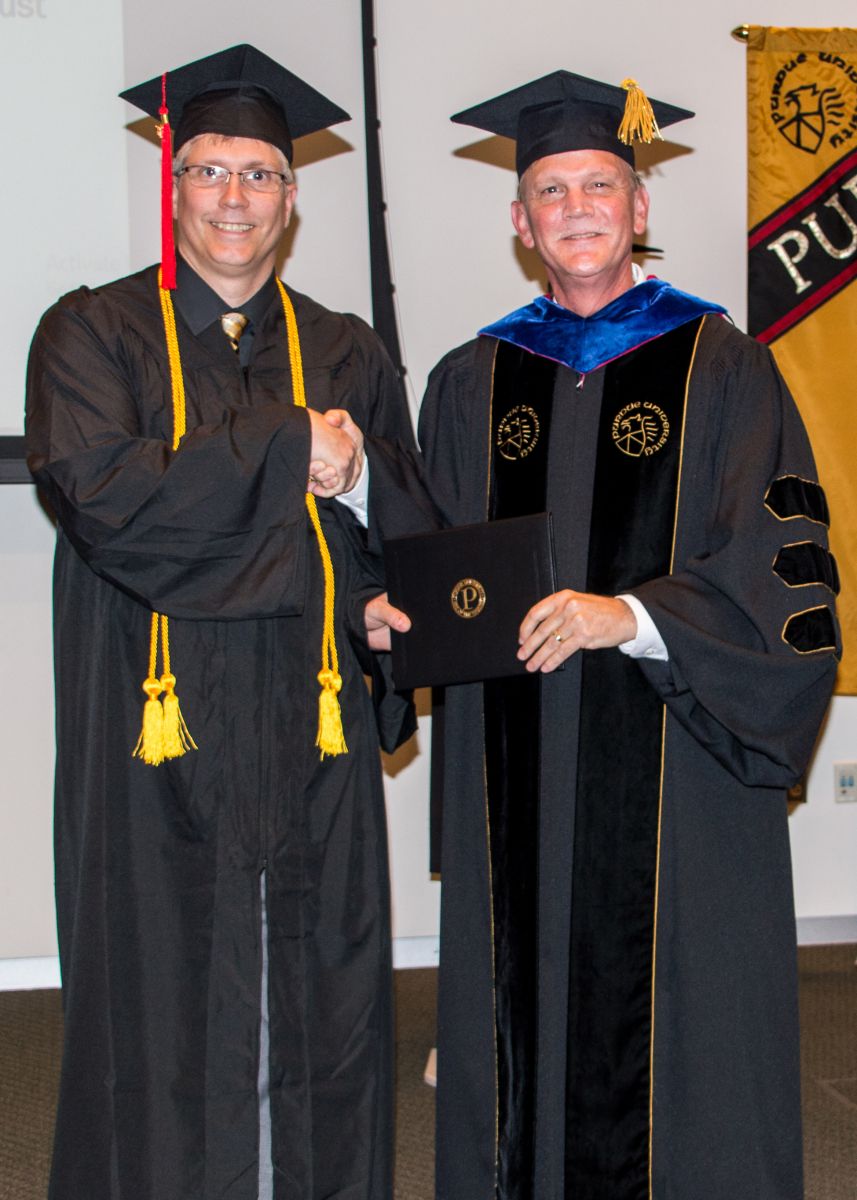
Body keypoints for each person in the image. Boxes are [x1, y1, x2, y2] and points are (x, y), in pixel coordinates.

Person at [418, 71, 841, 1200]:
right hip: (518, 754)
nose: (575, 208)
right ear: (519, 224)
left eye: (597, 185)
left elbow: (779, 553)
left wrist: (636, 614)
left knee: (676, 1025)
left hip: (672, 747)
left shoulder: (722, 365)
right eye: (549, 191)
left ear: (638, 207)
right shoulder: (473, 377)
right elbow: (431, 556)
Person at [25, 43, 429, 1200]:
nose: (234, 199)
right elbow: (107, 499)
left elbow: (398, 513)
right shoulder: (91, 334)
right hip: (159, 728)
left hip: (312, 725)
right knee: (155, 980)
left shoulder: (346, 346)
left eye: (259, 175)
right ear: (174, 184)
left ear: (293, 198)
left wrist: (355, 498)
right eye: (209, 172)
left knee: (328, 985)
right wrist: (285, 446)